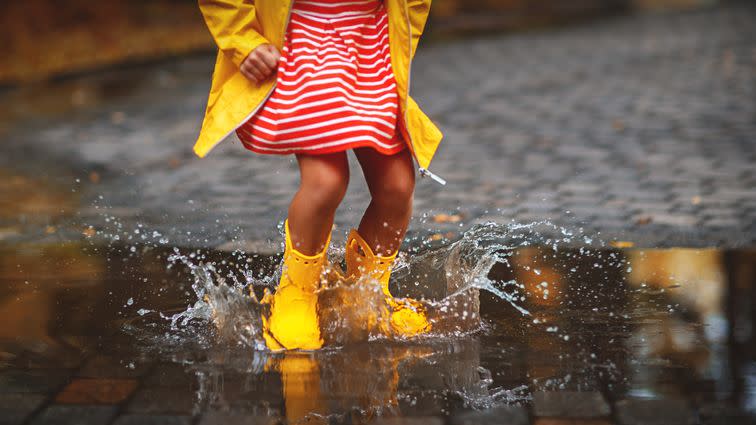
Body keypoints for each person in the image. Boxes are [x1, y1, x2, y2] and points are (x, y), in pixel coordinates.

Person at [195, 0, 444, 350]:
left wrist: (399, 40)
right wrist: (242, 39)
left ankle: (365, 294)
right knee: (326, 180)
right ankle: (296, 293)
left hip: (369, 49)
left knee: (397, 185)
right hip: (301, 51)